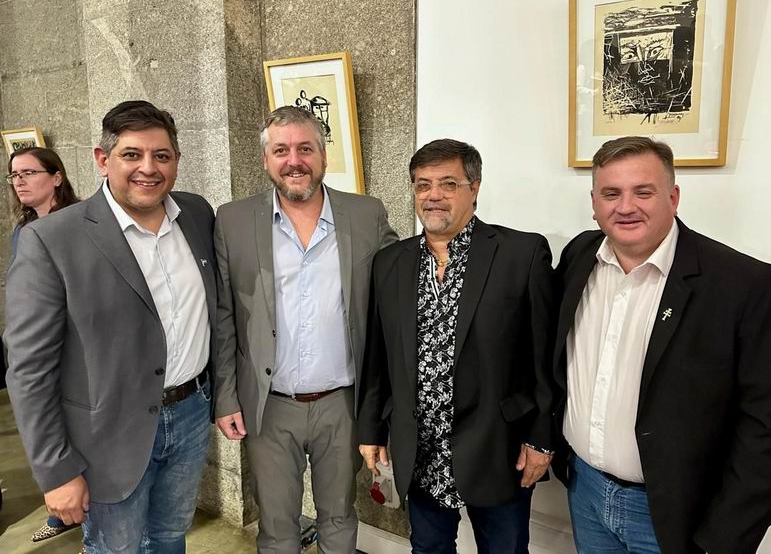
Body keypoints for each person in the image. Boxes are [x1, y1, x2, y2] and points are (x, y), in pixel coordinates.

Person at [553, 136, 771, 554]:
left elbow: (766, 426)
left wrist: (725, 538)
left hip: (677, 514)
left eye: (643, 192)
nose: (625, 206)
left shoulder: (745, 285)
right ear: (594, 203)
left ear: (673, 197)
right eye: (611, 193)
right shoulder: (579, 256)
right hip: (585, 493)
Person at [5, 100, 218, 554]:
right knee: (115, 548)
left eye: (161, 156)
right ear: (102, 160)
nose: (149, 168)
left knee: (170, 536)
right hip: (106, 434)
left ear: (177, 161)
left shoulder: (197, 214)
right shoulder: (51, 239)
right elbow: (28, 369)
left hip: (191, 414)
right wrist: (56, 470)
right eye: (131, 155)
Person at [357, 139, 557, 553]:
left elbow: (544, 359)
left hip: (497, 448)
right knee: (428, 549)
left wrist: (541, 438)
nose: (433, 195)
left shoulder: (520, 254)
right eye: (422, 185)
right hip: (420, 447)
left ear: (475, 187)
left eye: (448, 184)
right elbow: (378, 358)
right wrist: (371, 429)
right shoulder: (390, 263)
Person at [213, 105, 397, 553]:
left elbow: (393, 301)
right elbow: (224, 314)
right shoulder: (232, 221)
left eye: (305, 149)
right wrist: (226, 396)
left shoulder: (366, 214)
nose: (294, 161)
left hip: (343, 404)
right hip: (269, 406)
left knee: (340, 516)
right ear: (265, 159)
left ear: (323, 155)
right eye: (281, 150)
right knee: (277, 527)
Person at [5, 146, 81, 542]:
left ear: (56, 177)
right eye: (13, 175)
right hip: (41, 346)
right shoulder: (24, 229)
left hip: (77, 350)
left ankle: (94, 528)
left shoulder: (78, 223)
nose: (19, 182)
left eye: (28, 173)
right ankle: (66, 511)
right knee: (47, 429)